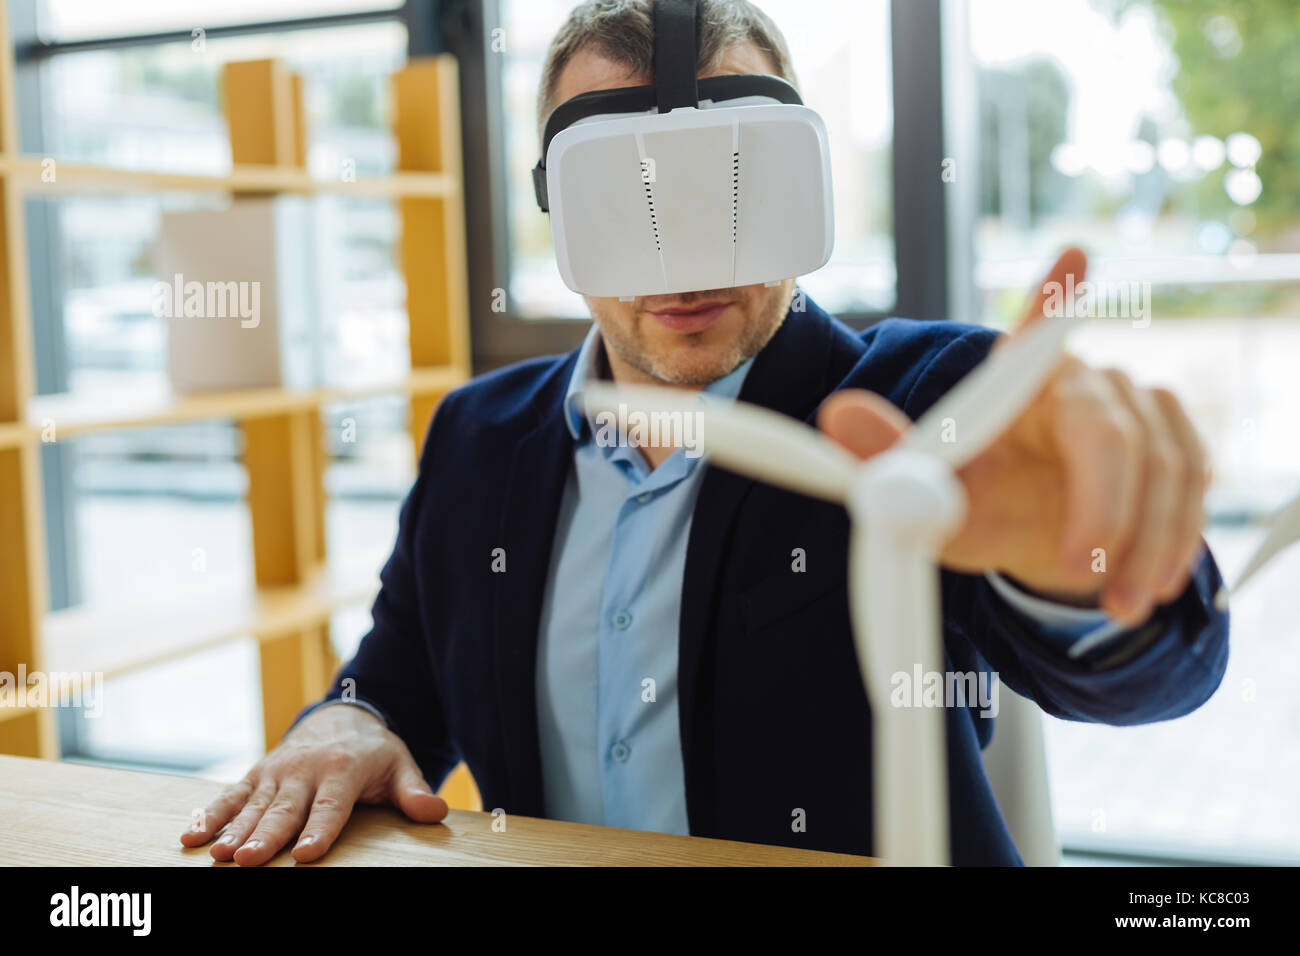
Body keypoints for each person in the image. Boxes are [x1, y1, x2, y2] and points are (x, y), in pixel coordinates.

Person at [181, 0, 1227, 866]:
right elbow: (398, 671)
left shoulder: (926, 405)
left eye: (728, 187)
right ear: (558, 211)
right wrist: (348, 719)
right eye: (628, 199)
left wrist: (1086, 568)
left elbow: (1160, 671)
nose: (682, 266)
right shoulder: (476, 437)